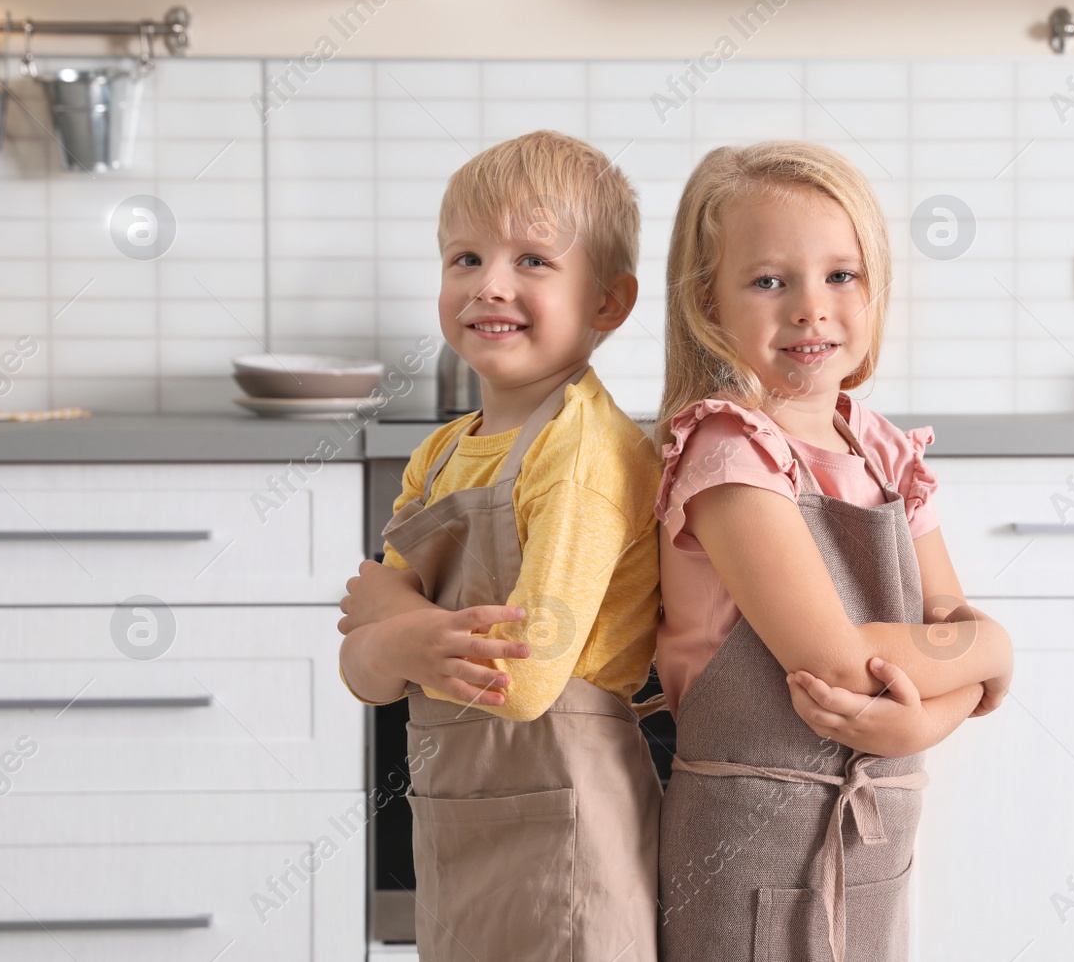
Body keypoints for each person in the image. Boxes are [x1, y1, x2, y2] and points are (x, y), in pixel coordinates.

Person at [654, 141, 1015, 962]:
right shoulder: (729, 453)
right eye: (769, 280)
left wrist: (921, 717)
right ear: (709, 305)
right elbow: (845, 663)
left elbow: (949, 614)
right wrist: (988, 655)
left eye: (840, 275)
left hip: (873, 838)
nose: (811, 309)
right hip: (748, 847)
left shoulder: (880, 447)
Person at [337, 130, 664, 962]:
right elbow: (361, 675)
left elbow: (520, 678)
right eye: (465, 257)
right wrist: (390, 643)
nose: (490, 284)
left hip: (567, 834)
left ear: (608, 303)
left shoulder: (587, 453)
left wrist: (401, 630)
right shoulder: (440, 453)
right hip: (458, 827)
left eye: (534, 261)